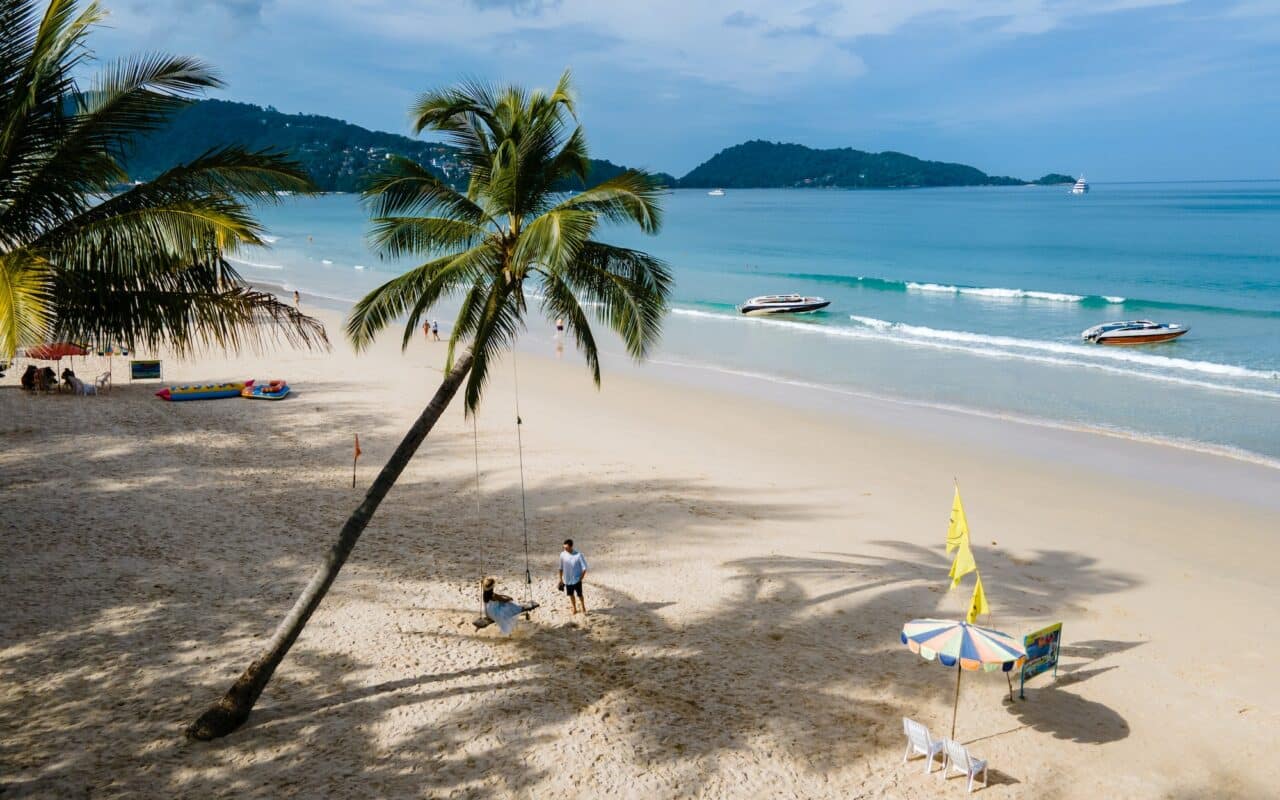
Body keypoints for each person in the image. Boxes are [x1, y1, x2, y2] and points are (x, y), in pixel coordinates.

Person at [558, 538, 589, 614]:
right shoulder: (562, 555)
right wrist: (560, 579)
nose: (565, 549)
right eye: (564, 547)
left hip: (577, 579)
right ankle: (574, 608)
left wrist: (581, 577)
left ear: (571, 546)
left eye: (566, 548)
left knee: (580, 594)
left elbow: (584, 567)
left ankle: (583, 606)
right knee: (571, 595)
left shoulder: (578, 555)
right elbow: (560, 567)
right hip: (567, 579)